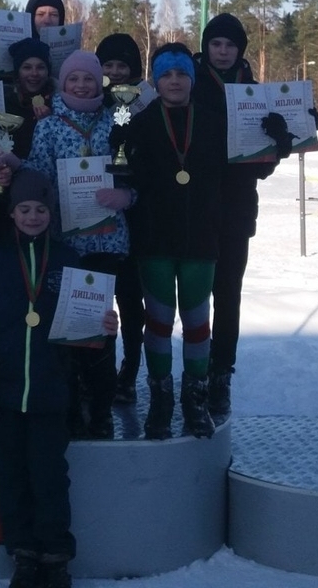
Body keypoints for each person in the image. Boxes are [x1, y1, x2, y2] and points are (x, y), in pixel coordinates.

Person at [0, 170, 118, 588]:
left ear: (52, 213)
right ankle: (24, 555)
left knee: (50, 477)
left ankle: (55, 556)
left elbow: (84, 334)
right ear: (12, 213)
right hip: (4, 394)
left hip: (51, 391)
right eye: (25, 209)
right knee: (10, 476)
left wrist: (104, 327)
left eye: (41, 210)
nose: (33, 217)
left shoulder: (68, 259)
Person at [0, 50, 131, 439]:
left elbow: (136, 168)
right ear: (63, 82)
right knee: (66, 330)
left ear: (99, 82)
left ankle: (100, 410)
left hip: (105, 239)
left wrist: (127, 195)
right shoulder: (49, 125)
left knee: (98, 329)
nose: (81, 85)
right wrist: (13, 164)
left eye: (88, 79)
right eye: (73, 79)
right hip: (63, 242)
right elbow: (39, 173)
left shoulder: (118, 119)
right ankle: (68, 407)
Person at [192, 13, 300, 423]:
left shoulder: (256, 92)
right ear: (206, 46)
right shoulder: (188, 83)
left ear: (240, 50)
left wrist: (281, 143)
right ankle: (194, 373)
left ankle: (221, 373)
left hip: (235, 210)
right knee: (193, 296)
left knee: (228, 295)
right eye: (216, 44)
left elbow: (260, 169)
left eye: (230, 45)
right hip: (191, 208)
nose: (222, 52)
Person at [123, 43, 227, 440]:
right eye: (166, 74)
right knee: (159, 322)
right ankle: (161, 402)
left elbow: (246, 169)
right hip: (155, 238)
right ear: (155, 80)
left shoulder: (215, 123)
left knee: (198, 323)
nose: (174, 81)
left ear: (192, 79)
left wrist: (282, 141)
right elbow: (127, 172)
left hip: (201, 238)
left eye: (182, 73)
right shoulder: (141, 122)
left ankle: (194, 400)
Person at [96, 33, 146, 404]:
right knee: (95, 300)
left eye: (122, 66)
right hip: (92, 218)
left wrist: (130, 189)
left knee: (130, 301)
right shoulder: (90, 104)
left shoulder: (142, 106)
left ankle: (128, 372)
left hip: (134, 220)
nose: (115, 72)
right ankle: (95, 373)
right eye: (108, 65)